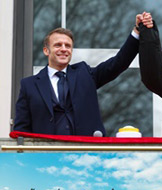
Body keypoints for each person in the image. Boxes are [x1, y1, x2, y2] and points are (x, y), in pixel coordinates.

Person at [13, 16, 141, 136]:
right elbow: (21, 130)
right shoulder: (29, 85)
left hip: (85, 153)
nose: (64, 49)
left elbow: (117, 63)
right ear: (46, 50)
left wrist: (136, 32)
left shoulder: (85, 74)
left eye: (68, 46)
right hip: (47, 155)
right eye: (58, 45)